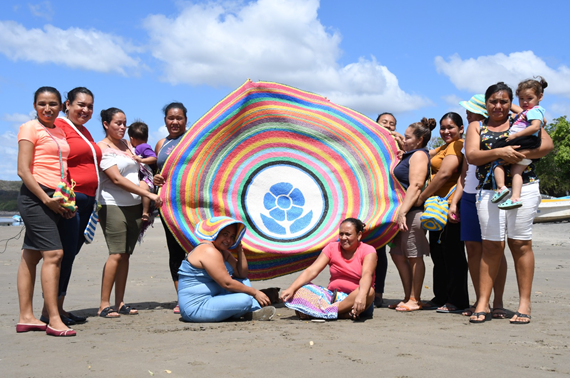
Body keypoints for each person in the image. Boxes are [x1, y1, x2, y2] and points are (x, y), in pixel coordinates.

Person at [465, 82, 553, 324]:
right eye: (493, 101)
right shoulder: (476, 126)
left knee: (520, 243)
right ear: (486, 103)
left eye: (504, 101)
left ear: (509, 102)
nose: (498, 106)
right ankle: (483, 302)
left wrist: (519, 155)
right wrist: (500, 152)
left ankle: (524, 304)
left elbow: (547, 146)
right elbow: (472, 156)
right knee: (491, 246)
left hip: (524, 188)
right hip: (488, 192)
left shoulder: (523, 119)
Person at [16, 86, 76, 336]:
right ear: (34, 106)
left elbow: (62, 169)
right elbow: (23, 170)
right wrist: (45, 199)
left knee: (31, 255)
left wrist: (65, 201)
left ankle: (26, 317)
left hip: (56, 196)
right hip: (35, 195)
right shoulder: (29, 127)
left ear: (61, 106)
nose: (47, 108)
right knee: (54, 254)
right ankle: (53, 318)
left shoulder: (60, 130)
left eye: (53, 104)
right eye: (42, 104)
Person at [39, 87, 99, 326]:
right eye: (80, 105)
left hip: (88, 200)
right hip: (71, 199)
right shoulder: (60, 126)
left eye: (89, 106)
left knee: (71, 255)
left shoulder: (84, 131)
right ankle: (49, 310)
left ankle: (58, 307)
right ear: (67, 104)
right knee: (62, 255)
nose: (85, 110)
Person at [96, 108, 162, 318]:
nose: (122, 128)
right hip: (112, 204)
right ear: (106, 124)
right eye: (117, 123)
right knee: (115, 253)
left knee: (125, 255)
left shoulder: (127, 145)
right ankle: (104, 304)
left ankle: (120, 302)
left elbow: (143, 168)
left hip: (134, 206)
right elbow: (116, 179)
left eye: (124, 123)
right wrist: (149, 195)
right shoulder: (102, 148)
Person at [449, 95, 508, 318]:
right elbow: (464, 174)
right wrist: (455, 200)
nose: (467, 114)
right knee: (473, 251)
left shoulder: (497, 131)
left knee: (495, 249)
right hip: (469, 196)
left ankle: (499, 302)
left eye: (471, 111)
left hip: (490, 193)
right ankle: (479, 300)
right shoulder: (470, 135)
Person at [416, 112, 469, 313]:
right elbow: (424, 154)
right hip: (436, 207)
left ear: (461, 129)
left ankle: (457, 300)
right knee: (439, 253)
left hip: (449, 205)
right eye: (443, 128)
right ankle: (441, 296)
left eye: (451, 127)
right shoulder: (446, 146)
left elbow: (445, 174)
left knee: (452, 252)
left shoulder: (458, 145)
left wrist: (421, 198)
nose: (446, 131)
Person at [178, 216, 276, 322]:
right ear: (215, 232)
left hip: (212, 298)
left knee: (243, 281)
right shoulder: (208, 251)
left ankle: (252, 311)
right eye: (225, 234)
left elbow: (241, 274)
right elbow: (227, 284)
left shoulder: (221, 251)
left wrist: (240, 250)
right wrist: (255, 292)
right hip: (195, 308)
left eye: (232, 236)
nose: (228, 240)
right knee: (245, 300)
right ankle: (248, 310)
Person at [281, 218, 377, 320]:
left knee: (369, 292)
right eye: (341, 234)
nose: (344, 238)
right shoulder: (331, 247)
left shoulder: (368, 250)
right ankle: (339, 313)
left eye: (348, 234)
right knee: (302, 288)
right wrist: (291, 289)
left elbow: (367, 274)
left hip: (357, 299)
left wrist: (361, 295)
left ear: (359, 235)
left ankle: (321, 312)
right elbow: (312, 270)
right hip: (332, 297)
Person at [389, 118, 433, 312]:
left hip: (411, 212)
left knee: (414, 256)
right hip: (403, 212)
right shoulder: (410, 154)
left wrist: (403, 212)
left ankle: (415, 298)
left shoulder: (419, 156)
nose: (403, 140)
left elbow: (415, 186)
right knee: (398, 254)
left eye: (407, 138)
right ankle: (408, 296)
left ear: (420, 140)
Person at [153, 102, 189, 314]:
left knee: (196, 248)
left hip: (192, 204)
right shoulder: (161, 144)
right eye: (170, 118)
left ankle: (201, 292)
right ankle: (182, 297)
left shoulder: (194, 138)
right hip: (168, 205)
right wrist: (156, 178)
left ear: (186, 120)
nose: (174, 122)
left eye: (179, 118)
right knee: (175, 251)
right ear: (165, 120)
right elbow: (158, 172)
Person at [492, 77, 548, 210]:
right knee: (516, 170)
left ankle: (501, 187)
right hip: (527, 141)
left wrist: (516, 135)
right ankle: (515, 197)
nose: (525, 102)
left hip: (524, 140)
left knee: (496, 155)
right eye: (521, 99)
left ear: (540, 97)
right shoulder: (532, 111)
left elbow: (535, 127)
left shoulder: (534, 110)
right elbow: (543, 121)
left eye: (529, 98)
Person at [373, 112, 401, 307]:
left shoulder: (400, 147)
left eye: (392, 124)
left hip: (386, 204)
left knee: (379, 249)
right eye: (385, 122)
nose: (389, 126)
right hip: (362, 202)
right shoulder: (365, 142)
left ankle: (378, 292)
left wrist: (402, 147)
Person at [128, 121, 157, 223]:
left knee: (143, 187)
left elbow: (153, 158)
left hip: (146, 178)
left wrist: (141, 160)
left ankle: (145, 212)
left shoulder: (143, 147)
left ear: (131, 138)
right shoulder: (136, 148)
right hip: (141, 177)